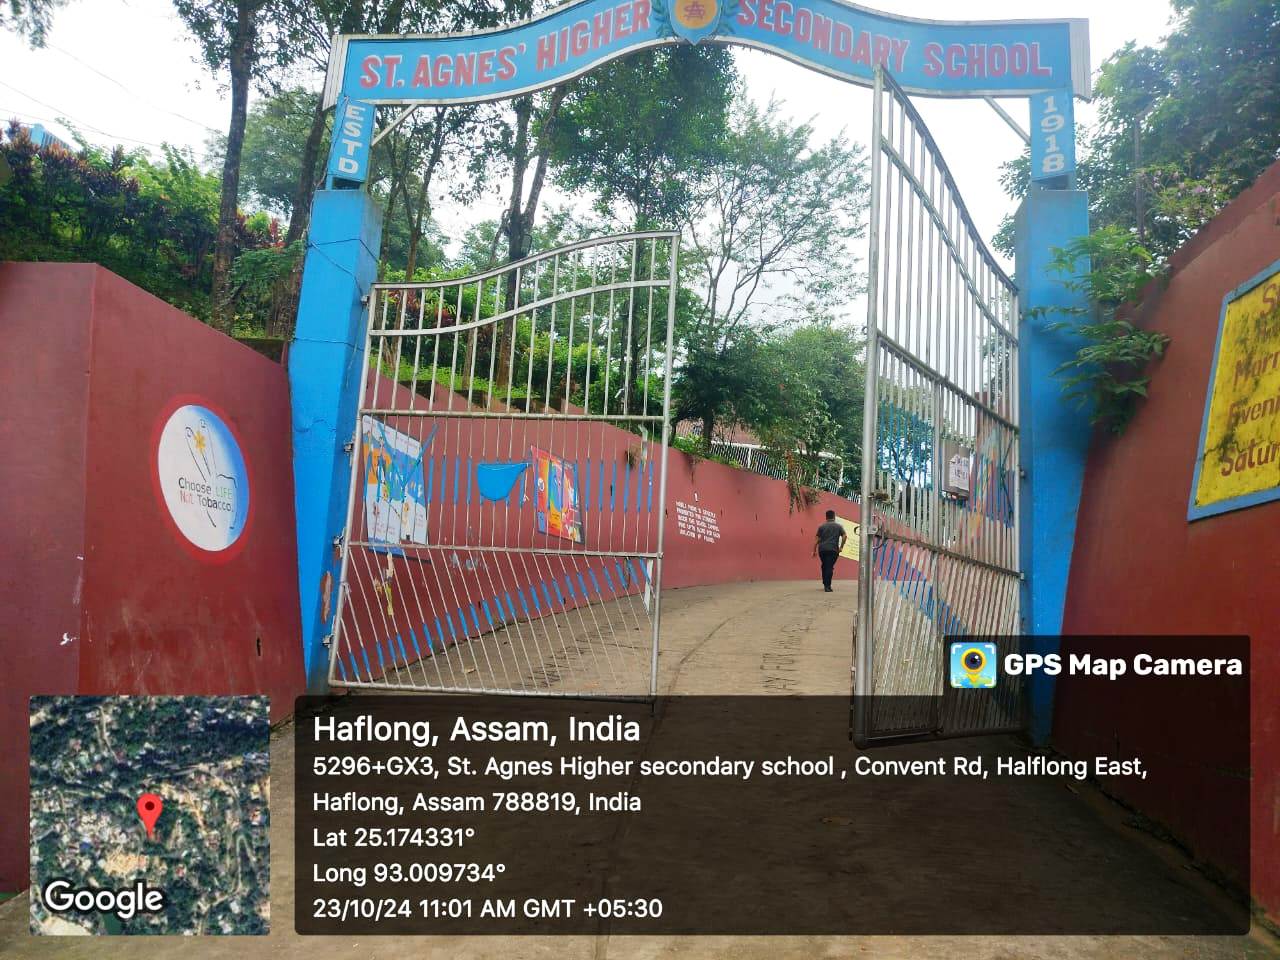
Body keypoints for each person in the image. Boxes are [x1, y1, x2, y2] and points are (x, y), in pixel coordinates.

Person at [813, 509, 847, 592]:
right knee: (829, 567)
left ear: (826, 517)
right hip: (833, 549)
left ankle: (825, 582)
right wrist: (841, 547)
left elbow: (817, 539)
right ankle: (827, 586)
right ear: (834, 517)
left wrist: (814, 550)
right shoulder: (839, 526)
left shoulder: (821, 527)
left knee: (824, 565)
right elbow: (844, 536)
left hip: (822, 550)